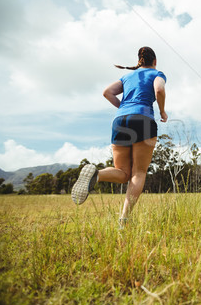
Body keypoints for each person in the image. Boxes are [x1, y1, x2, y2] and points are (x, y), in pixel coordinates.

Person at [71, 46, 167, 225]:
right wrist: (162, 111)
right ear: (154, 61)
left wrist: (123, 109)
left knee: (123, 173)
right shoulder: (157, 74)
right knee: (138, 172)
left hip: (120, 120)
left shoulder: (127, 76)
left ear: (139, 61)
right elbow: (159, 90)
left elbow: (107, 92)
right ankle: (124, 219)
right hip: (144, 119)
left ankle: (97, 174)